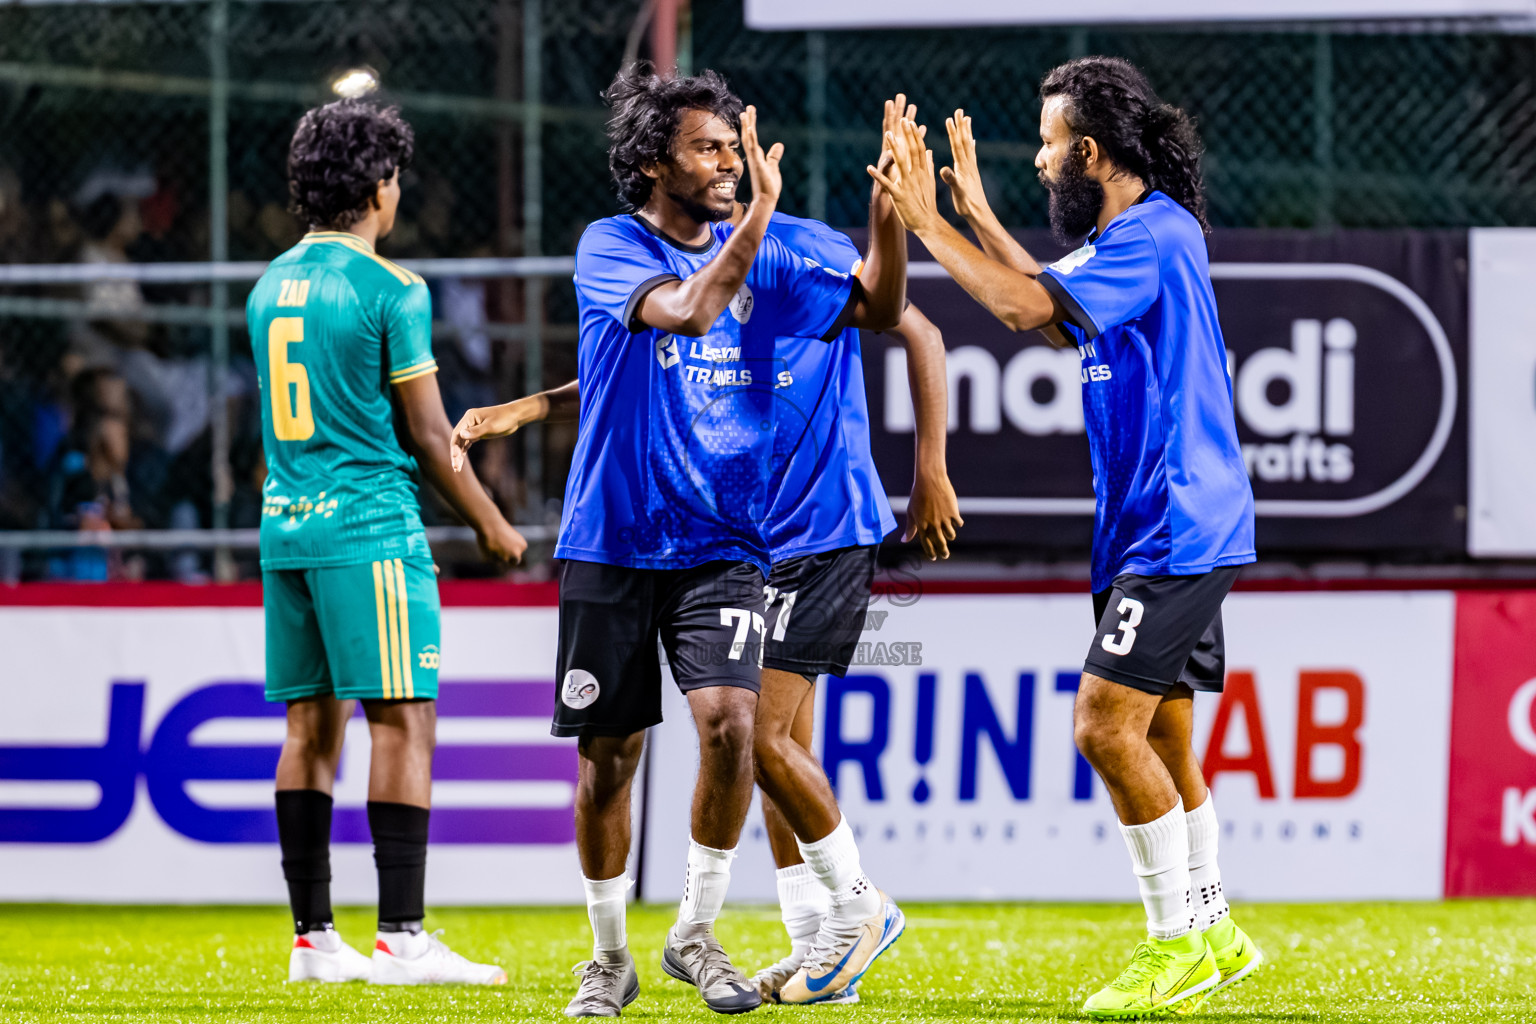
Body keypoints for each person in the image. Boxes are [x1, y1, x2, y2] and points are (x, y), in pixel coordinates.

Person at [452, 103, 959, 1006]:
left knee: (740, 728)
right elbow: (678, 323)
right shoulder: (613, 244)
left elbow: (891, 313)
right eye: (708, 148)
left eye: (735, 147)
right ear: (654, 161)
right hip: (615, 538)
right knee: (612, 758)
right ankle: (614, 956)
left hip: (733, 538)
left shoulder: (778, 248)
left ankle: (723, 928)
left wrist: (886, 213)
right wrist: (533, 406)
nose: (729, 162)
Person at [869, 57, 1262, 1019]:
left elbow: (1021, 308)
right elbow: (1053, 310)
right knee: (1162, 733)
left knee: (1101, 726)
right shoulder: (1131, 238)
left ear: (1089, 151)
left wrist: (926, 224)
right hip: (1147, 526)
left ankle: (1173, 947)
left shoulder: (1152, 234)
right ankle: (1215, 928)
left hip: (1176, 525)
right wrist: (973, 216)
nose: (1041, 161)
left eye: (1049, 144)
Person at [250, 98, 527, 987]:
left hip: (287, 529)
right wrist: (491, 522)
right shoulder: (391, 289)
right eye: (396, 177)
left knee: (309, 727)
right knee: (403, 720)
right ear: (378, 185)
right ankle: (402, 937)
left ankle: (312, 940)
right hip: (369, 528)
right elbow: (430, 433)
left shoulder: (268, 285)